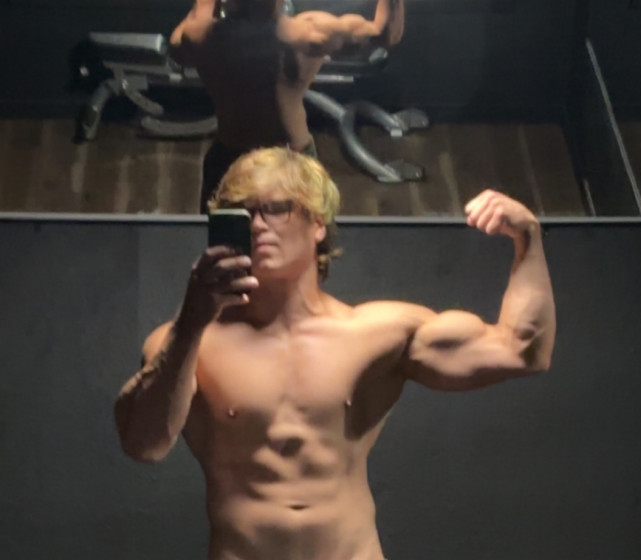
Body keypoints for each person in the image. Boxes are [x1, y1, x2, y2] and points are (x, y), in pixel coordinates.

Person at [114, 147, 556, 560]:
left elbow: (522, 350)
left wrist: (529, 240)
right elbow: (143, 444)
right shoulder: (189, 341)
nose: (257, 224)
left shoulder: (375, 334)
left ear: (318, 223)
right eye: (241, 212)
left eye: (276, 208)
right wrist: (191, 322)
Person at [169, 0, 405, 213]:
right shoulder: (309, 34)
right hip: (291, 158)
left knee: (224, 241)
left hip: (234, 156)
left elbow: (178, 49)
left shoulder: (200, 34)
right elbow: (385, 33)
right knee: (306, 243)